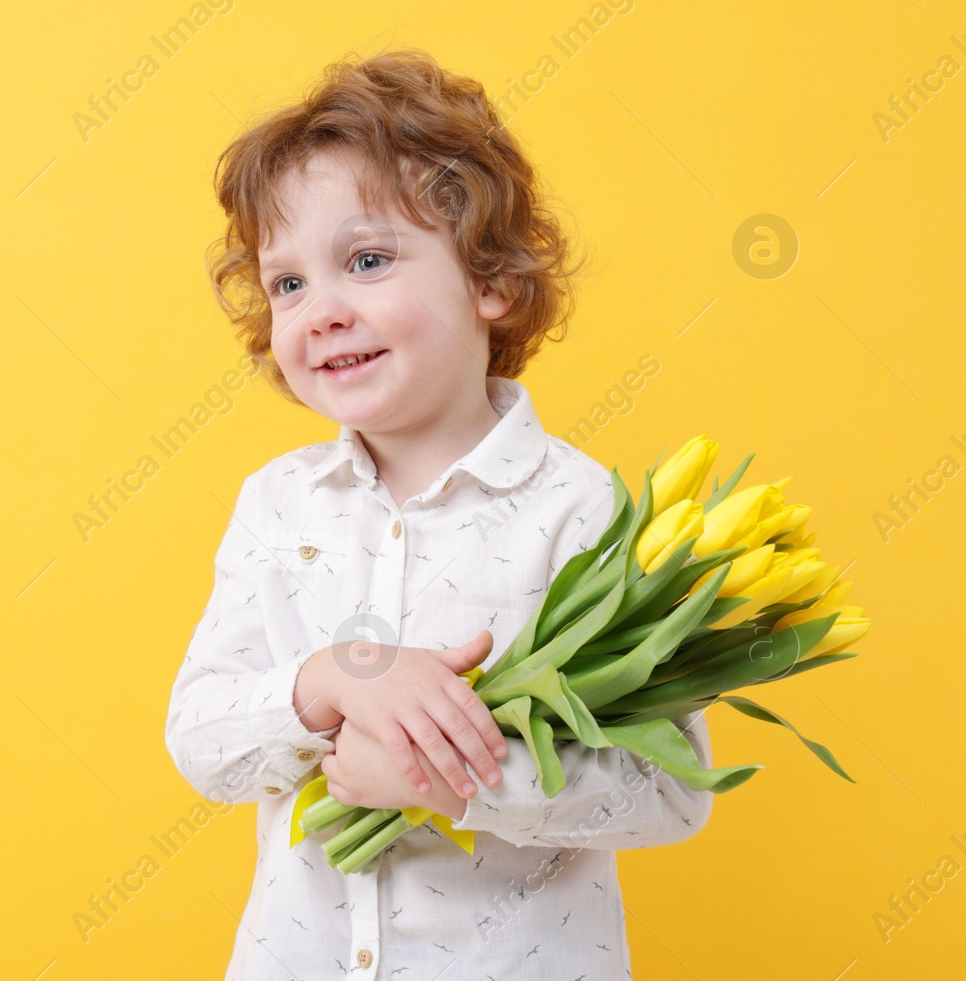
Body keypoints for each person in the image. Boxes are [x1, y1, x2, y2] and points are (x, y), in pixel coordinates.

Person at [164, 49, 712, 979]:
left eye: (366, 260)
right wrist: (337, 674)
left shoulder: (582, 511)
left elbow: (668, 786)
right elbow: (203, 740)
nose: (319, 311)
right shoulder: (278, 503)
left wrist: (454, 783)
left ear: (490, 282)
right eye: (288, 283)